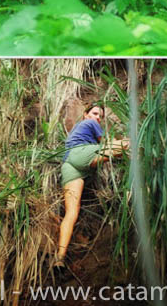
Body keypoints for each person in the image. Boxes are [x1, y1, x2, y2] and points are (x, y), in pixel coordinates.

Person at [54, 103, 129, 268]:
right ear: (85, 115)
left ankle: (60, 257)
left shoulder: (77, 130)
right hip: (81, 154)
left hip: (68, 164)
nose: (97, 118)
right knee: (127, 144)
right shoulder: (90, 124)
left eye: (100, 116)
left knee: (71, 212)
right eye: (95, 113)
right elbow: (107, 144)